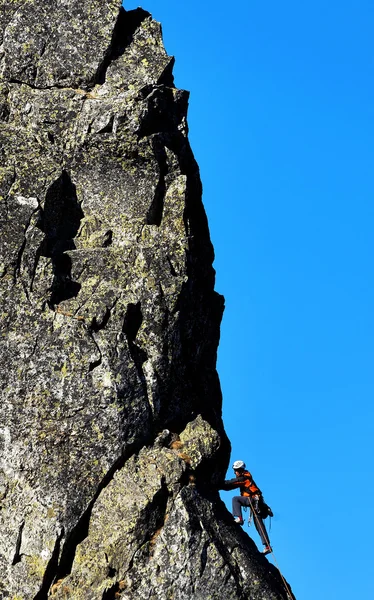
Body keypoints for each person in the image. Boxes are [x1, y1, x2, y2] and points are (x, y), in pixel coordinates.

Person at [220, 460, 272, 555]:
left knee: (235, 499)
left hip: (253, 501)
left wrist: (218, 484)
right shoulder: (247, 477)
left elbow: (230, 484)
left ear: (239, 470)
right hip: (258, 503)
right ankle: (267, 546)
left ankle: (239, 518)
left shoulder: (244, 478)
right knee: (259, 524)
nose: (235, 472)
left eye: (235, 470)